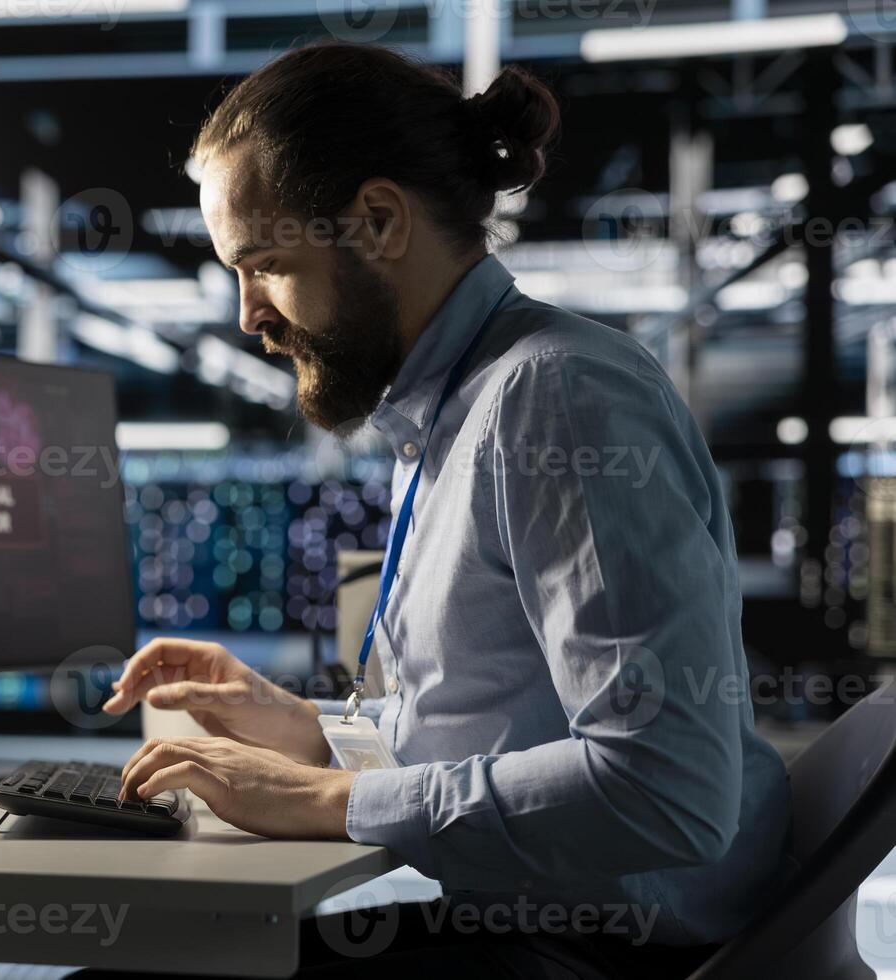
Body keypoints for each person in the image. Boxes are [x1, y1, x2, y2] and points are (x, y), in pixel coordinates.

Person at [98, 42, 792, 979]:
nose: (247, 314)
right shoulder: (448, 411)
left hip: (609, 955)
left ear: (379, 221)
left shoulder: (556, 399)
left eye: (262, 263)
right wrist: (299, 731)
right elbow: (497, 730)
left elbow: (665, 788)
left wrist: (324, 801)